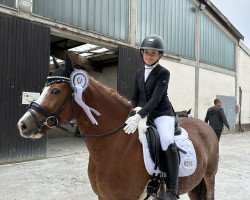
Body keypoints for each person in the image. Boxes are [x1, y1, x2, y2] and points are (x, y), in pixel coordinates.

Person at [123, 35, 179, 200]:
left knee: (166, 140)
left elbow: (156, 98)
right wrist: (132, 112)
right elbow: (134, 97)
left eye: (153, 54)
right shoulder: (139, 73)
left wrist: (140, 114)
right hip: (142, 112)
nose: (149, 56)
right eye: (146, 52)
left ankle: (172, 190)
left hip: (162, 113)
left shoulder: (163, 73)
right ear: (142, 53)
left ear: (159, 55)